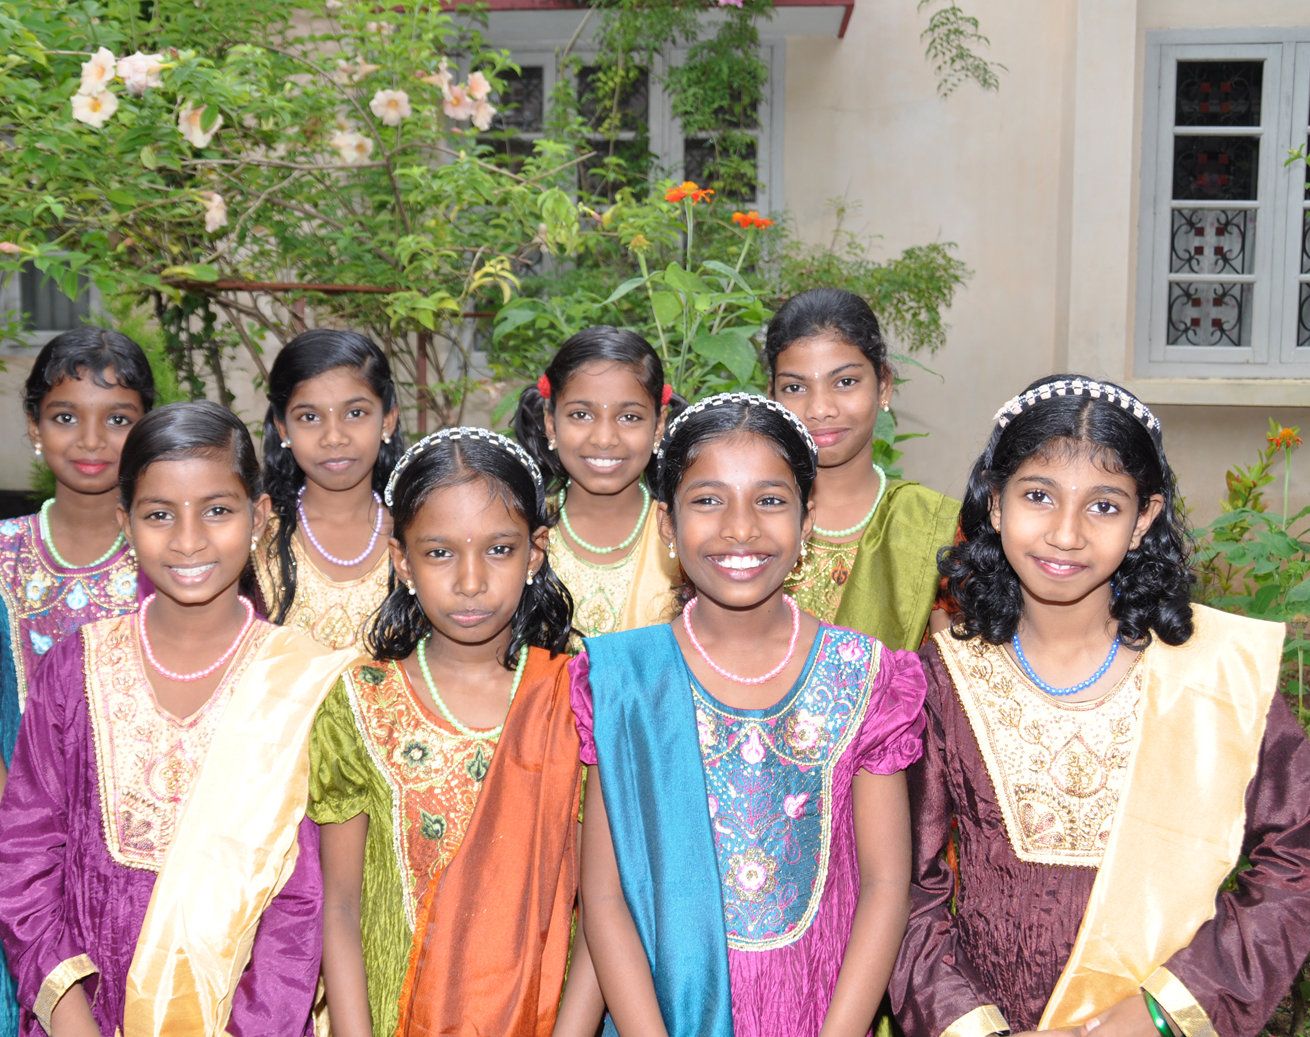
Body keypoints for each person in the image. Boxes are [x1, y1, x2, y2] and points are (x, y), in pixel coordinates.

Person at [889, 376, 1310, 1037]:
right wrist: (974, 1027)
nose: (1065, 533)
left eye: (1102, 505)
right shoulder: (940, 682)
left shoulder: (1214, 673)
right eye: (1038, 496)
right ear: (996, 502)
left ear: (1142, 518)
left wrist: (1161, 1012)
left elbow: (1302, 853)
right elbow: (901, 888)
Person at [0, 402, 360, 1037]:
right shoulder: (74, 669)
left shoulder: (302, 683)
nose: (188, 540)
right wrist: (71, 1017)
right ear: (125, 523)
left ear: (260, 518)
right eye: (160, 514)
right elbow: (24, 857)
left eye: (217, 511)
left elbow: (302, 901)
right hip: (85, 1011)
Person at [574, 392, 924, 1037]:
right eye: (708, 500)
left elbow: (884, 883)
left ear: (808, 518)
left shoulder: (864, 675)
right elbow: (605, 894)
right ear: (666, 523)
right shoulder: (626, 679)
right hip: (665, 1012)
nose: (741, 528)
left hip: (822, 1012)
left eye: (770, 500)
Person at [308, 427, 599, 1037]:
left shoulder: (576, 700)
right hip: (391, 1018)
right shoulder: (360, 702)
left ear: (535, 553)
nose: (470, 581)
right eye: (440, 553)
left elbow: (602, 905)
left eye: (499, 549)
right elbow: (340, 906)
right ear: (402, 561)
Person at [0, 327, 154, 1037]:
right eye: (66, 416)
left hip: (154, 865)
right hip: (28, 866)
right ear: (34, 426)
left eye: (117, 418)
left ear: (147, 428)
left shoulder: (175, 553)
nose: (91, 439)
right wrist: (28, 861)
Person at [766, 288, 959, 649]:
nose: (820, 409)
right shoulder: (746, 521)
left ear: (883, 386)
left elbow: (951, 672)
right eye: (794, 387)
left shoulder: (936, 527)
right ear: (772, 397)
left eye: (845, 382)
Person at [512, 327, 679, 644]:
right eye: (581, 414)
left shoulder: (683, 535)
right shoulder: (518, 533)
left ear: (659, 425)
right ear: (551, 423)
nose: (604, 439)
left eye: (629, 417)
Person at [254, 329, 402, 649]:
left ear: (387, 420)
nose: (334, 437)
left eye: (355, 413)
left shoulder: (417, 535)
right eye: (309, 417)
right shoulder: (255, 541)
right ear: (283, 429)